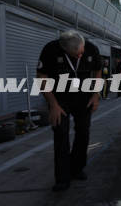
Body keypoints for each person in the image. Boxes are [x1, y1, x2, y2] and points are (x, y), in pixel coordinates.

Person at [37, 30, 102, 191]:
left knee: (83, 132)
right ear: (65, 49)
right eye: (76, 54)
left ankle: (77, 168)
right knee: (61, 135)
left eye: (82, 52)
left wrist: (95, 95)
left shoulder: (91, 49)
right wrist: (53, 104)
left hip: (84, 98)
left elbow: (97, 72)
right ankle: (62, 178)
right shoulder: (50, 50)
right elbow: (41, 78)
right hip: (60, 99)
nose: (80, 55)